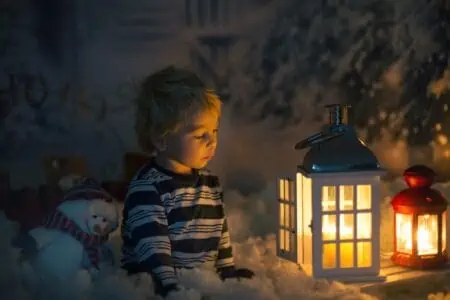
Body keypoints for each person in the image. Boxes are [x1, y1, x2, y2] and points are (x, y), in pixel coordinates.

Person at [120, 66, 254, 298]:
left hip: (197, 280)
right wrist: (168, 284)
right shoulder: (148, 188)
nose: (212, 141)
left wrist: (226, 269)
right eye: (200, 134)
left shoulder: (209, 182)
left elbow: (219, 231)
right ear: (161, 140)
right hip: (156, 284)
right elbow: (152, 244)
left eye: (214, 131)